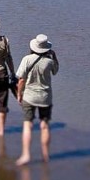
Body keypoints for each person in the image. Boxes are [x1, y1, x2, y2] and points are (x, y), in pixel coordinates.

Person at [14, 34, 59, 166]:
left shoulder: (27, 59)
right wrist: (54, 56)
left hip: (29, 96)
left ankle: (26, 155)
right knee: (44, 125)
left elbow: (21, 79)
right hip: (45, 97)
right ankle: (45, 156)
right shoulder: (49, 62)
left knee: (28, 125)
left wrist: (19, 94)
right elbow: (55, 71)